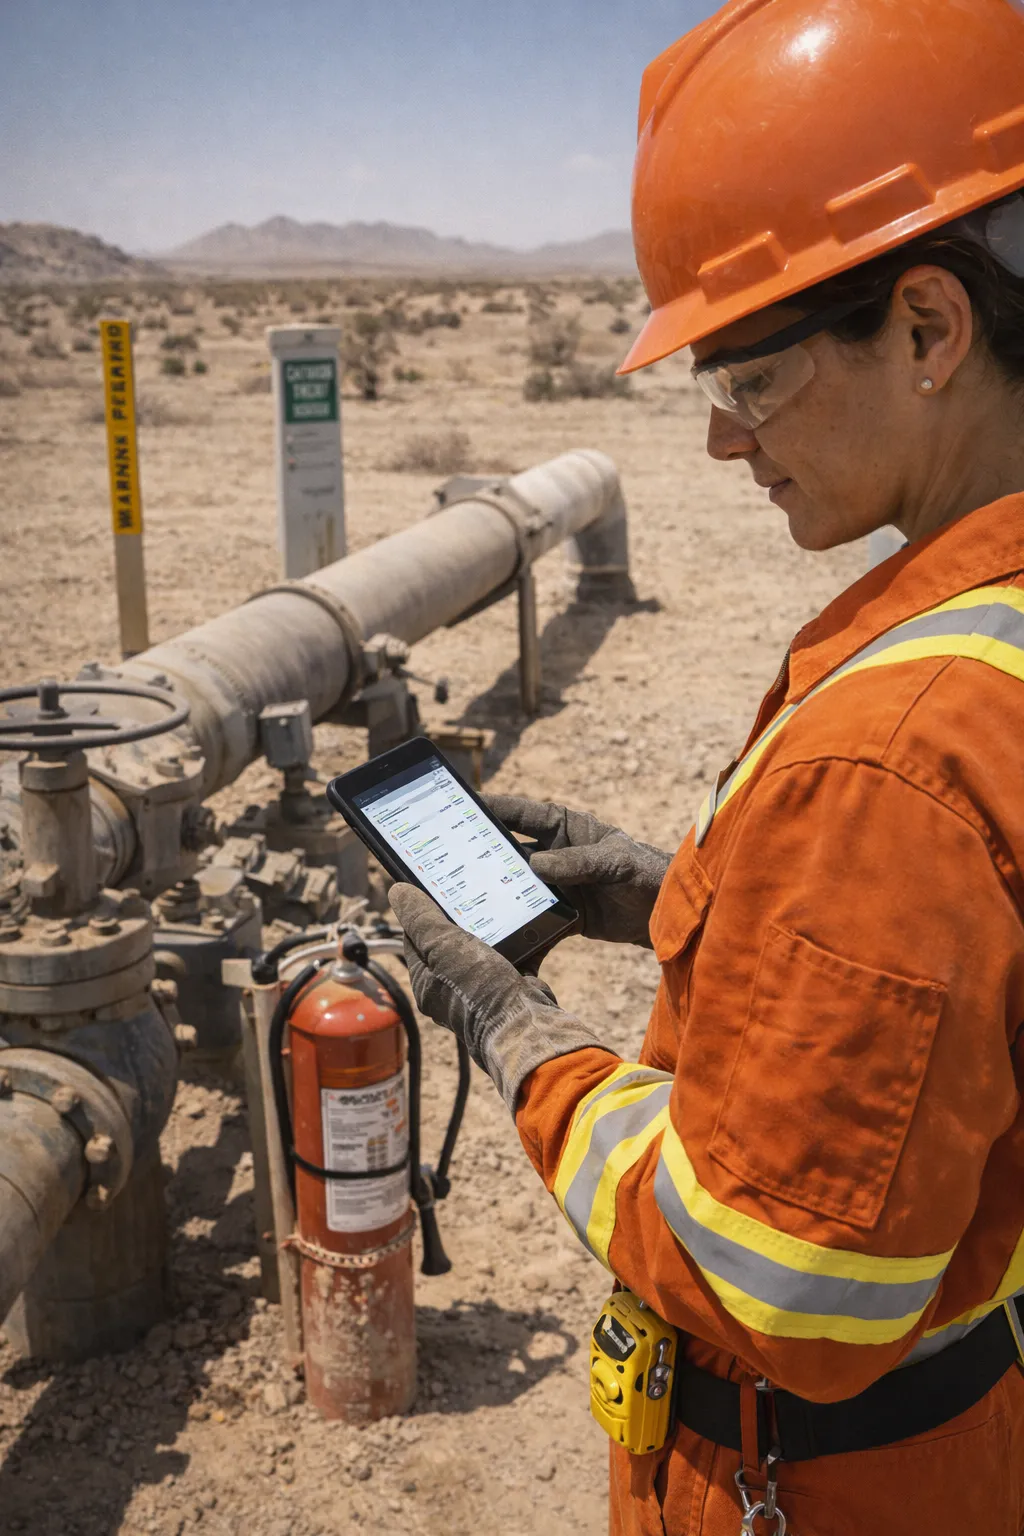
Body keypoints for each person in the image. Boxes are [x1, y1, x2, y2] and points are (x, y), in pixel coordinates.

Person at [390, 1, 1024, 1530]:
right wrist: (683, 897)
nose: (728, 446)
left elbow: (775, 1279)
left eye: (750, 379)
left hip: (821, 1489)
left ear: (929, 331)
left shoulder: (895, 757)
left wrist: (519, 1033)